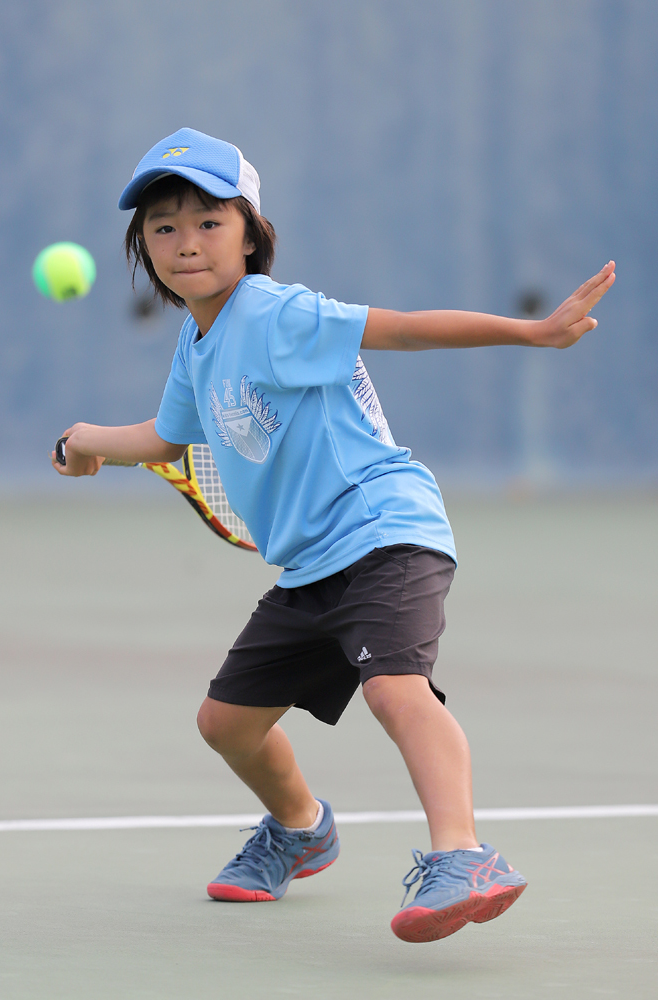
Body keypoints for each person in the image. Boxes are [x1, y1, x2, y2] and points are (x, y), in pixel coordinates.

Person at [52, 127, 615, 943]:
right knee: (225, 725)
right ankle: (300, 829)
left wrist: (529, 333)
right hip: (312, 563)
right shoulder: (197, 341)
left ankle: (464, 854)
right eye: (164, 226)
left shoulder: (275, 312)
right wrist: (88, 441)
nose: (185, 243)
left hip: (384, 527)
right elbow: (172, 437)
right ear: (141, 244)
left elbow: (404, 329)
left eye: (209, 222)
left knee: (394, 686)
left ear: (251, 234)